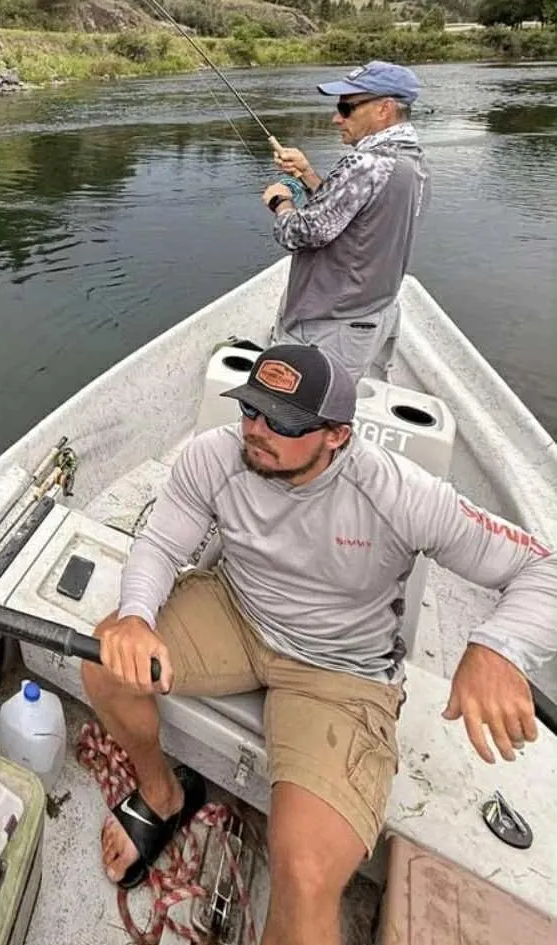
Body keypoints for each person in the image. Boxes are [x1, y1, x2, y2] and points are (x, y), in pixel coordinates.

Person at [81, 342, 554, 945]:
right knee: (103, 658)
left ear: (336, 435)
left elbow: (543, 567)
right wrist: (138, 618)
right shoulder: (215, 455)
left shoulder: (401, 493)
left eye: (283, 423)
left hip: (341, 670)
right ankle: (161, 793)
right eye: (251, 409)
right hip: (238, 609)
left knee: (303, 880)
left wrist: (497, 648)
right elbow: (162, 544)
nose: (255, 431)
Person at [261, 60, 429, 381]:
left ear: (384, 109)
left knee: (300, 420)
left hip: (332, 325)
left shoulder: (365, 163)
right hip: (373, 313)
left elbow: (300, 233)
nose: (336, 117)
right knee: (335, 411)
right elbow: (358, 218)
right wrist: (308, 174)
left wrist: (280, 200)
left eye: (346, 107)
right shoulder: (412, 158)